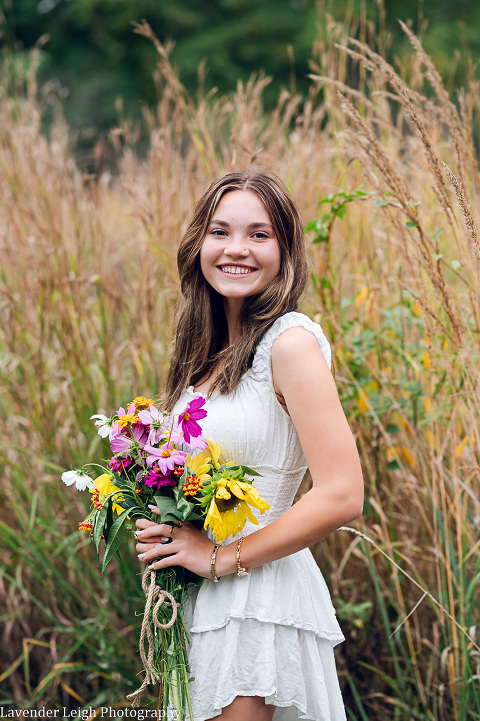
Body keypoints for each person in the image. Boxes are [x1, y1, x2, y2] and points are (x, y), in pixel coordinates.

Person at [134, 169, 364, 721]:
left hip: (258, 598)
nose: (237, 249)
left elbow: (342, 494)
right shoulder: (206, 357)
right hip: (207, 596)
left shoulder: (290, 343)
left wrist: (217, 559)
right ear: (198, 245)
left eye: (259, 235)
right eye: (221, 231)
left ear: (286, 252)